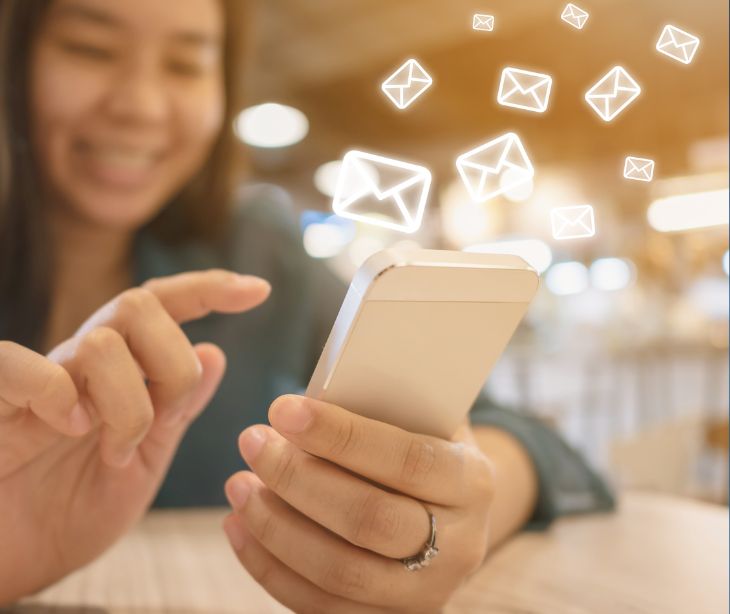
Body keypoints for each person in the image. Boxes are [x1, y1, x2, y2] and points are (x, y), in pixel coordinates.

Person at [0, 0, 615, 611]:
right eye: (91, 49)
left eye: (186, 63)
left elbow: (537, 448)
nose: (141, 105)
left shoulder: (257, 255)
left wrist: (452, 515)